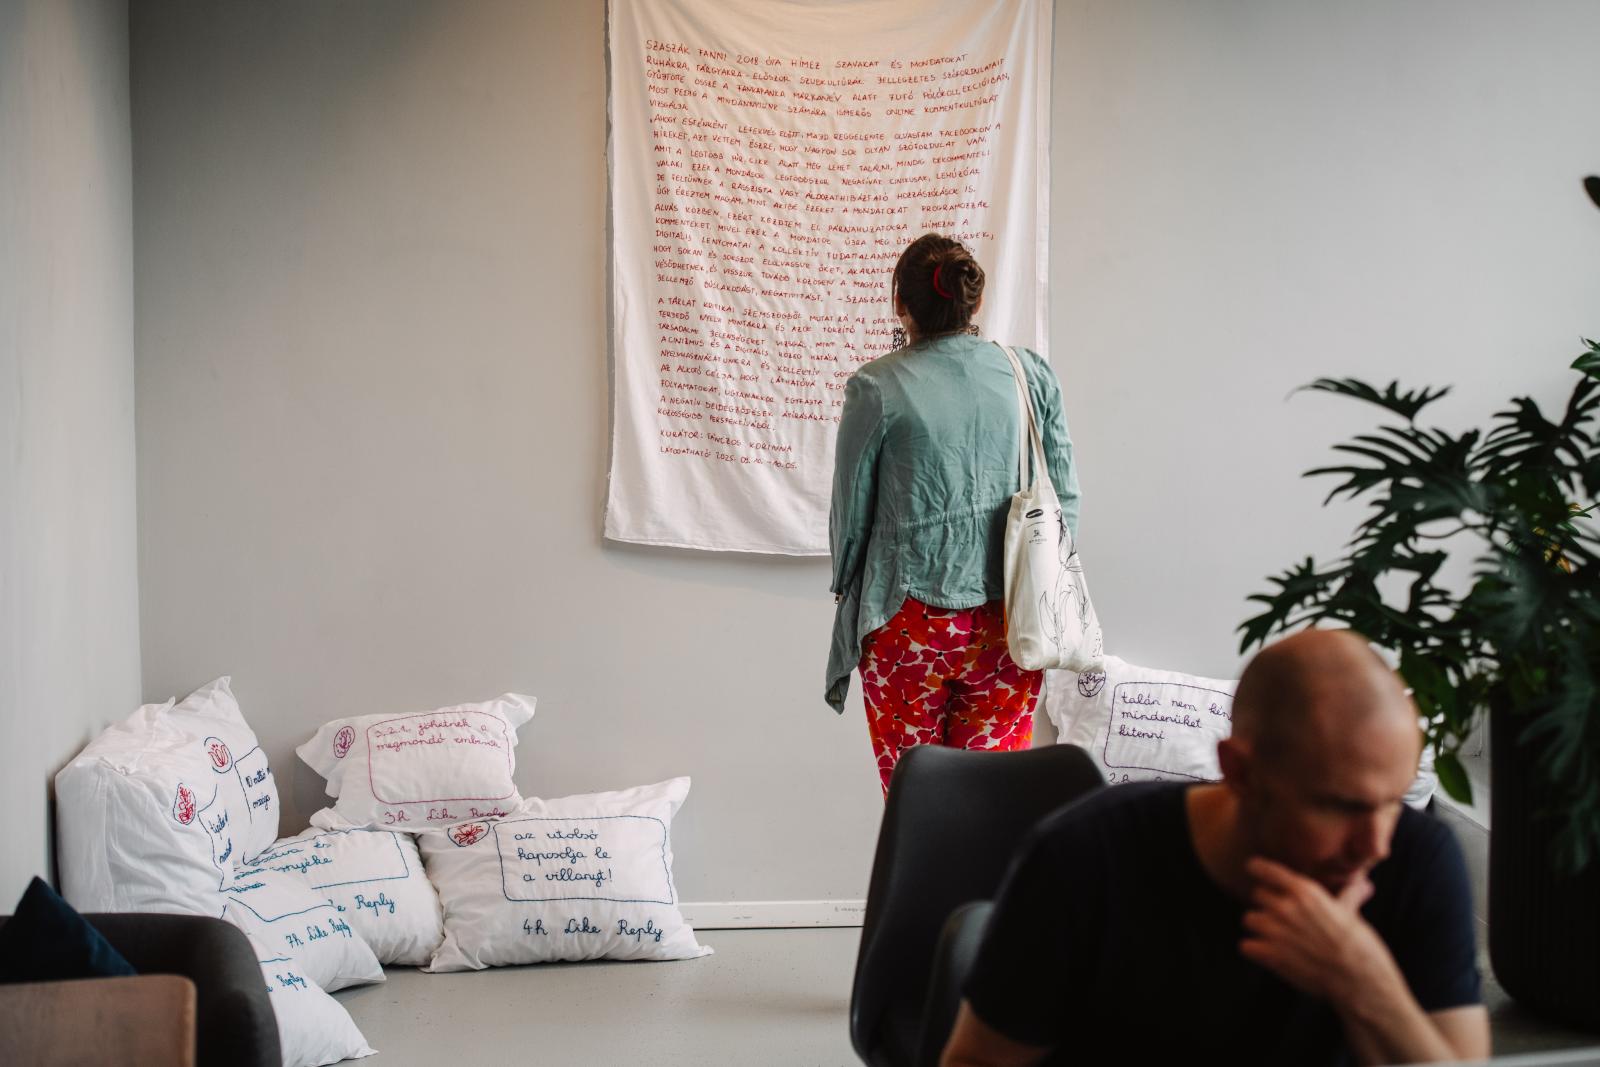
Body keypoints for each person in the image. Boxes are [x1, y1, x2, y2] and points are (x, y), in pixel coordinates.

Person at [942, 629, 1489, 1066]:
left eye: (1391, 802)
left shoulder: (1419, 859)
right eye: (1339, 807)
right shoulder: (1082, 857)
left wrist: (1359, 980)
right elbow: (976, 1060)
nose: (1375, 844)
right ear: (1239, 773)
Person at [826, 233, 1081, 796]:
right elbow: (1065, 500)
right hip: (1011, 623)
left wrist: (844, 586)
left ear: (900, 302)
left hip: (907, 621)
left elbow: (850, 519)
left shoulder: (876, 386)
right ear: (975, 301)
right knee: (992, 799)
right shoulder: (1030, 375)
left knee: (918, 802)